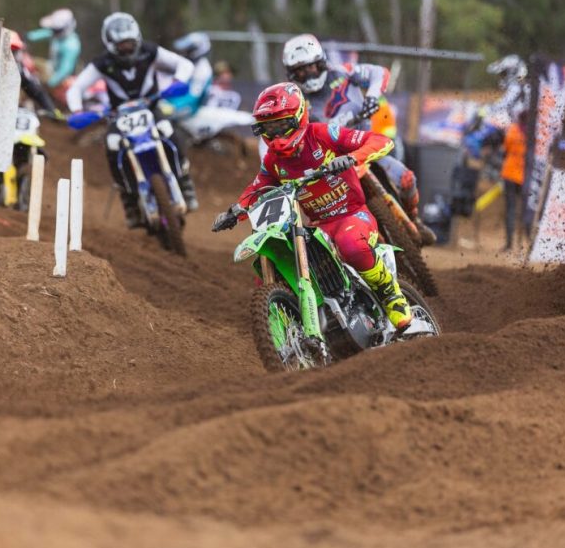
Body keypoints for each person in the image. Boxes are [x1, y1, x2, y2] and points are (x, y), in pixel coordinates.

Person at [211, 82, 412, 331]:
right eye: (269, 127)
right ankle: (297, 323)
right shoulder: (273, 161)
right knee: (289, 257)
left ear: (298, 117)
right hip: (318, 226)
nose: (276, 134)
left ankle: (391, 294)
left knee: (351, 245)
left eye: (280, 125)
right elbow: (256, 189)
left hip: (351, 215)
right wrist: (234, 212)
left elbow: (380, 140)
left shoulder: (322, 134)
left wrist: (351, 158)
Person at [281, 33, 435, 246]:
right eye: (299, 71)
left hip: (367, 148)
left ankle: (415, 219)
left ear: (321, 62)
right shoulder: (295, 100)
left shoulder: (342, 72)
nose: (307, 75)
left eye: (310, 67)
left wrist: (372, 96)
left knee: (407, 179)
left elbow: (379, 73)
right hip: (331, 165)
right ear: (291, 74)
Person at [66, 12, 198, 225]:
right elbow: (75, 88)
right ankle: (128, 199)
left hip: (151, 107)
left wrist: (177, 81)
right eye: (121, 45)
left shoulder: (150, 51)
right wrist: (77, 110)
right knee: (112, 144)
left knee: (170, 131)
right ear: (110, 44)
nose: (127, 49)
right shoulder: (102, 63)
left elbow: (185, 65)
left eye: (130, 43)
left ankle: (185, 182)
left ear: (137, 39)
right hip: (119, 115)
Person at [8, 30, 63, 119]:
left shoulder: (19, 69)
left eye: (15, 51)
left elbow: (35, 90)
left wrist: (51, 109)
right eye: (10, 50)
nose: (13, 55)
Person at [26, 8, 81, 92]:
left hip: (61, 79)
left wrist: (48, 84)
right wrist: (27, 36)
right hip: (51, 67)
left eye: (56, 30)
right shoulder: (58, 35)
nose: (53, 31)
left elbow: (65, 70)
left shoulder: (71, 46)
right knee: (29, 63)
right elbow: (45, 33)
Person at [501, 109, 527, 251]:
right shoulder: (533, 134)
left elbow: (505, 149)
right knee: (525, 210)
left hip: (510, 173)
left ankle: (509, 244)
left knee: (510, 209)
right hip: (525, 176)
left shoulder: (513, 130)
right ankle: (524, 243)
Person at [171, 31, 214, 117]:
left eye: (187, 51)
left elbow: (192, 98)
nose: (183, 54)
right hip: (175, 102)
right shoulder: (188, 65)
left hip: (188, 110)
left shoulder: (202, 71)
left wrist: (172, 107)